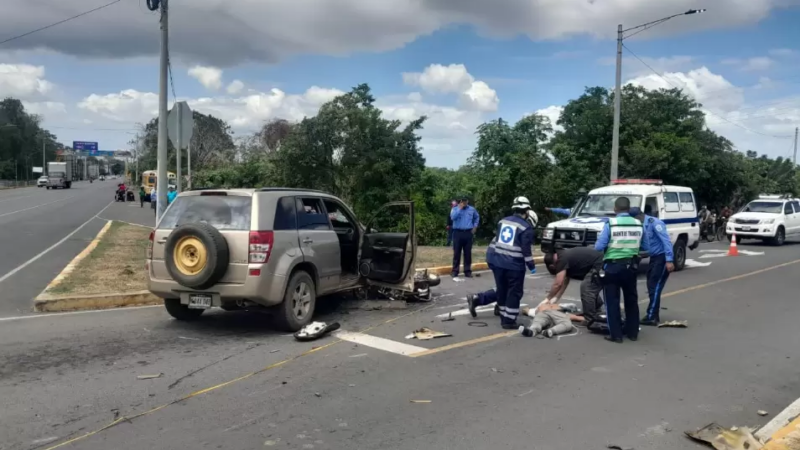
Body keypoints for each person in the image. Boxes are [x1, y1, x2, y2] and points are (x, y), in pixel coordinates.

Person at [467, 196, 536, 329]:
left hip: (497, 261)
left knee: (502, 289)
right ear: (526, 211)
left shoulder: (502, 221)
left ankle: (502, 313)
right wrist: (531, 266)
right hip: (513, 265)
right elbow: (526, 250)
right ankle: (508, 320)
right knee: (514, 292)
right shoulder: (525, 227)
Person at [594, 196, 648, 343]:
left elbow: (599, 246)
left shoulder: (611, 224)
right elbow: (646, 246)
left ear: (615, 209)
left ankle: (616, 335)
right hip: (631, 267)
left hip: (612, 266)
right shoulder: (639, 224)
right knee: (631, 299)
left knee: (612, 301)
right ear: (629, 209)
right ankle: (632, 333)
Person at [631, 207, 674, 326]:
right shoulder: (640, 225)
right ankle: (653, 315)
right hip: (654, 258)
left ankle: (651, 316)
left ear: (639, 216)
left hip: (662, 257)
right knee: (651, 286)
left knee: (655, 287)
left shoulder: (655, 223)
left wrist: (669, 260)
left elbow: (666, 241)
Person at [543, 247, 604, 326]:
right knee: (590, 286)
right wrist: (556, 298)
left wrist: (547, 299)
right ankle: (596, 309)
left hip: (599, 263)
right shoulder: (562, 256)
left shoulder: (561, 260)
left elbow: (558, 284)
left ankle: (590, 319)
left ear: (552, 266)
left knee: (587, 289)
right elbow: (565, 281)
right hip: (598, 261)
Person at [450, 196, 480, 278]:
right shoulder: (455, 209)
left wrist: (475, 226)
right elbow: (453, 217)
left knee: (467, 253)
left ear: (468, 201)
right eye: (463, 201)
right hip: (457, 233)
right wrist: (460, 208)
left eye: (466, 201)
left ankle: (467, 271)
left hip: (468, 233)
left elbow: (477, 217)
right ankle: (455, 271)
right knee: (456, 253)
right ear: (460, 201)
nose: (464, 203)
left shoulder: (472, 209)